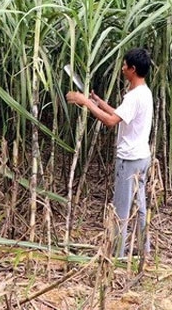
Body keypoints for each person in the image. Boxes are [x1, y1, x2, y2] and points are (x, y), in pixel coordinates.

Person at [66, 48, 153, 258]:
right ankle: (144, 250)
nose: (122, 69)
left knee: (121, 210)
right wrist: (98, 102)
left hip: (129, 160)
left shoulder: (134, 96)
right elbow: (119, 114)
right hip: (142, 157)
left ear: (133, 69)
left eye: (124, 65)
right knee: (140, 206)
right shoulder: (144, 92)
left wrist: (85, 102)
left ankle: (117, 255)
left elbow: (111, 122)